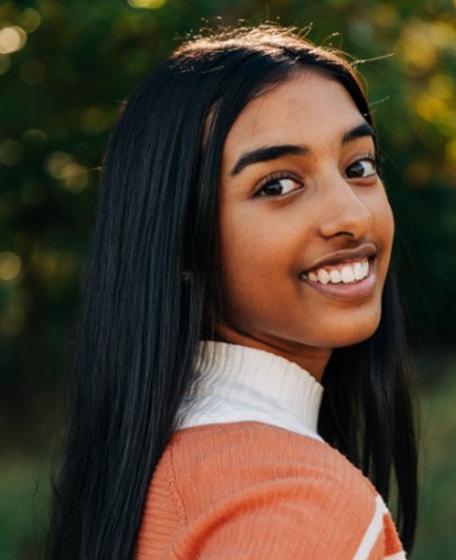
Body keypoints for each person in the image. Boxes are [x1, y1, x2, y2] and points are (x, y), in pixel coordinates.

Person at [47, 24, 418, 559]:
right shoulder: (297, 506)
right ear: (180, 244)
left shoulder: (160, 466)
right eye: (277, 185)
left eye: (358, 167)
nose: (352, 215)